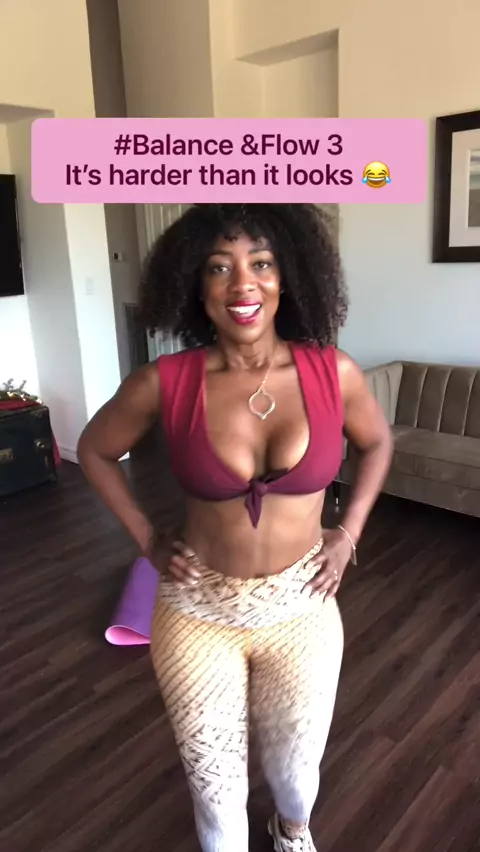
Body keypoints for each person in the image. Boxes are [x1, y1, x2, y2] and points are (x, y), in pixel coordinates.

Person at [77, 203, 393, 852]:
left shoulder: (333, 372)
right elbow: (94, 450)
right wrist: (147, 539)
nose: (242, 283)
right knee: (216, 798)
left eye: (262, 264)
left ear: (288, 277)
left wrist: (349, 533)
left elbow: (378, 443)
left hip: (302, 607)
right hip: (197, 611)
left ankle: (290, 828)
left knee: (296, 781)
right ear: (196, 286)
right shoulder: (165, 382)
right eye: (219, 268)